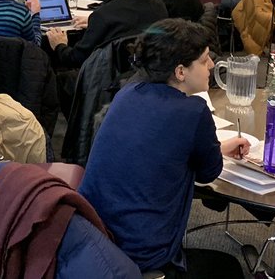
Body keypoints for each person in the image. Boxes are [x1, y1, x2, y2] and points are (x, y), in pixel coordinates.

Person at [79, 19, 250, 278]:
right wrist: (211, 148)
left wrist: (219, 147)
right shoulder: (193, 111)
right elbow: (208, 172)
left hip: (94, 237)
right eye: (204, 60)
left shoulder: (128, 93)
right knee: (229, 267)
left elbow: (155, 147)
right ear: (180, 71)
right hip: (143, 254)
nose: (211, 65)